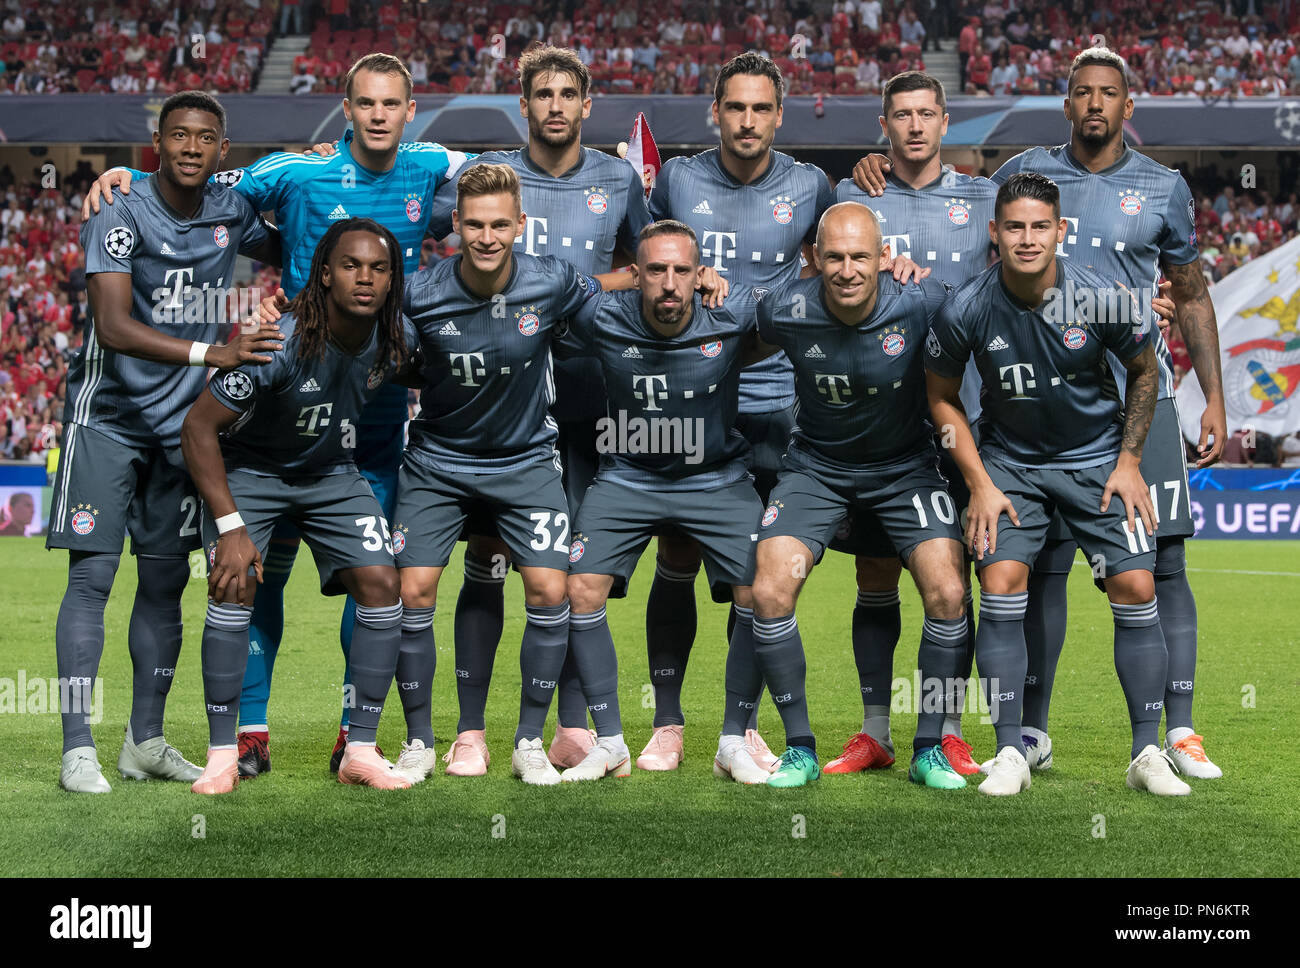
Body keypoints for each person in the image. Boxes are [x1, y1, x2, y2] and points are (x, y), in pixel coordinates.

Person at [83, 54, 470, 781]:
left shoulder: (427, 171)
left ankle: (358, 737)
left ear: (410, 110)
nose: (380, 115)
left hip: (373, 416)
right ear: (346, 106)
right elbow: (197, 177)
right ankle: (248, 731)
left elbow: (504, 184)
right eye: (366, 102)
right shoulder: (294, 171)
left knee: (374, 575)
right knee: (257, 574)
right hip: (280, 387)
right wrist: (129, 180)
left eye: (393, 103)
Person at [853, 47, 1225, 782]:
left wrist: (1209, 397)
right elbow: (947, 193)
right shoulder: (1020, 178)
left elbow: (1186, 298)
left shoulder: (1161, 190)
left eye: (1107, 93)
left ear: (1127, 105)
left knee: (1157, 569)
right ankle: (1023, 738)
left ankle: (1169, 735)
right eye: (1080, 92)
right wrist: (882, 167)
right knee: (1023, 576)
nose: (1093, 103)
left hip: (1120, 416)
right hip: (1019, 422)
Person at [420, 46, 652, 775]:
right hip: (506, 400)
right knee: (486, 558)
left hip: (596, 398)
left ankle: (572, 727)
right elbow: (418, 230)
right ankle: (469, 729)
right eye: (541, 94)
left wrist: (567, 289)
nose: (554, 105)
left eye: (567, 94)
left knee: (576, 571)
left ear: (588, 103)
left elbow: (650, 267)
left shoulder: (619, 177)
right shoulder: (484, 178)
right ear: (523, 105)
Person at [50, 90, 283, 794]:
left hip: (179, 430)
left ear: (221, 151)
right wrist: (211, 355)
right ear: (157, 141)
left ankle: (143, 742)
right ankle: (76, 746)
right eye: (177, 134)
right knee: (91, 579)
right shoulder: (119, 208)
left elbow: (298, 237)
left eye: (204, 137)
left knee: (163, 584)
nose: (189, 146)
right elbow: (115, 326)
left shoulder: (229, 209)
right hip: (107, 419)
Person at [925, 171, 1187, 797]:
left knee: (1135, 581)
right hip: (1010, 465)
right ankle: (1011, 750)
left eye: (1040, 226)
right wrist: (980, 483)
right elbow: (941, 399)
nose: (1027, 238)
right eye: (1014, 226)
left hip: (1097, 459)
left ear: (1061, 231)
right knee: (1000, 580)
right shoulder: (965, 306)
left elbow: (1145, 373)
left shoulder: (1103, 298)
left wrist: (1128, 463)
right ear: (995, 232)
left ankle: (1148, 751)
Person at [394, 163, 632, 786]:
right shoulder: (419, 292)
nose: (488, 236)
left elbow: (618, 298)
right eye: (475, 224)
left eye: (501, 223)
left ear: (521, 225)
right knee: (412, 591)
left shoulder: (551, 280)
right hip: (439, 462)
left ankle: (530, 738)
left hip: (527, 460)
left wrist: (680, 283)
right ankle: (427, 740)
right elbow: (381, 351)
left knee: (552, 592)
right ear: (455, 225)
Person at [643, 52, 834, 774]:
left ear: (779, 116)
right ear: (714, 112)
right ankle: (666, 723)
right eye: (735, 108)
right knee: (678, 556)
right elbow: (645, 263)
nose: (748, 121)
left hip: (782, 402)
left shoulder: (811, 185)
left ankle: (740, 727)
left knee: (760, 573)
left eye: (761, 109)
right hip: (694, 396)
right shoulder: (679, 180)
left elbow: (849, 248)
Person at [181, 219, 415, 794]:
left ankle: (358, 748)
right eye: (351, 266)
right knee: (235, 583)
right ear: (325, 275)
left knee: (383, 585)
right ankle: (221, 753)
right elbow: (197, 428)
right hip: (252, 473)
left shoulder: (397, 337)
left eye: (378, 268)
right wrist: (232, 526)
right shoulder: (277, 344)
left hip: (331, 473)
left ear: (392, 279)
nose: (365, 278)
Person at [747, 202, 968, 790]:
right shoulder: (786, 308)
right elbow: (728, 339)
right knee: (769, 589)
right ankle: (799, 748)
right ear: (815, 259)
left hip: (906, 469)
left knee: (948, 592)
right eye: (835, 258)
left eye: (861, 257)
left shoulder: (923, 300)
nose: (847, 270)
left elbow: (995, 318)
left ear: (883, 257)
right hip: (816, 469)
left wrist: (1125, 314)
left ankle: (928, 748)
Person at [829, 72, 997, 776]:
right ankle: (875, 731)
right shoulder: (853, 197)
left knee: (955, 574)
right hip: (881, 421)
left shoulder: (984, 197)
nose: (916, 126)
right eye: (902, 115)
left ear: (946, 120)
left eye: (928, 114)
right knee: (874, 572)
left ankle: (947, 730)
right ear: (884, 124)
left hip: (965, 414)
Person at [557, 220, 761, 783]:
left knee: (762, 588)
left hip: (716, 477)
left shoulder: (734, 311)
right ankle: (613, 741)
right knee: (578, 587)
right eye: (654, 271)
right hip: (628, 476)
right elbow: (546, 287)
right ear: (636, 275)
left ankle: (734, 737)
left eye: (681, 271)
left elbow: (808, 301)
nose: (669, 284)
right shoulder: (601, 316)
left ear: (700, 275)